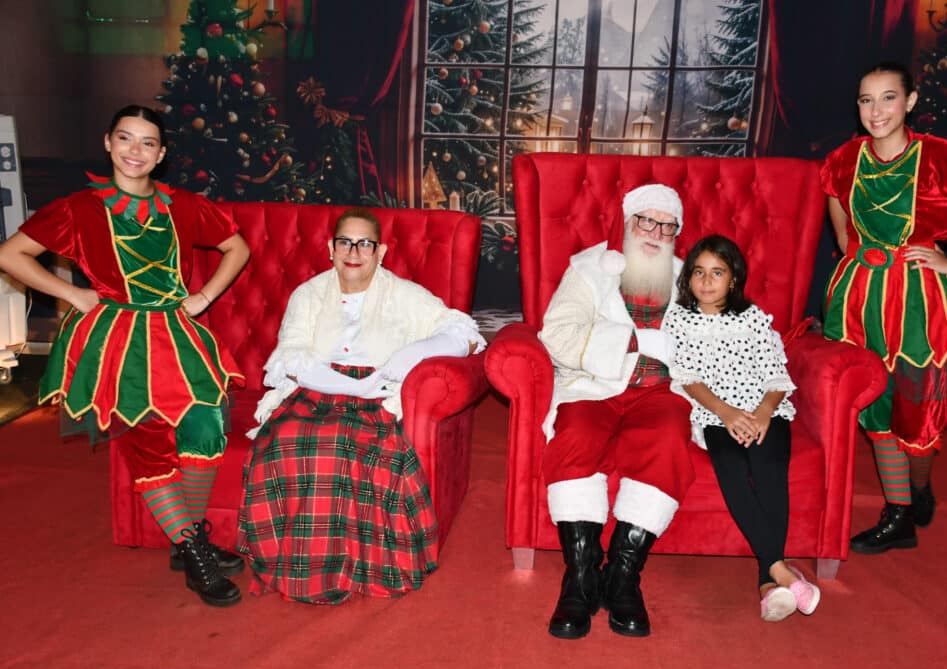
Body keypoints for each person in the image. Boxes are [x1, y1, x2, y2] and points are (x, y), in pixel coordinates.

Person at [0, 104, 251, 606]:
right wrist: (72, 294)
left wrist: (203, 297)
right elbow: (10, 255)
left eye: (147, 143)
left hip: (176, 334)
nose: (135, 151)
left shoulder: (184, 205)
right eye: (125, 138)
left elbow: (237, 248)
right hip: (117, 339)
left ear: (161, 154)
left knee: (206, 425)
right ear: (108, 143)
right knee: (148, 441)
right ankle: (194, 552)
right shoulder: (79, 208)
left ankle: (188, 541)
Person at [821, 62, 947, 553]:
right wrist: (852, 250)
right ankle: (899, 515)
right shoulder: (844, 158)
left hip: (916, 303)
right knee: (873, 405)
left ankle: (919, 488)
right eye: (866, 100)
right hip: (859, 299)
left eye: (888, 97)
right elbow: (837, 203)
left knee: (918, 411)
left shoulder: (940, 158)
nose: (876, 111)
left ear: (910, 101)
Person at [238, 207, 485, 605]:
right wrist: (346, 385)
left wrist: (412, 355)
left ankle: (356, 569)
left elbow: (464, 333)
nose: (354, 253)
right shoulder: (308, 294)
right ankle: (303, 572)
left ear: (380, 251)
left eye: (364, 244)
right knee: (284, 440)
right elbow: (291, 355)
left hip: (379, 391)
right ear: (330, 249)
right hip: (315, 386)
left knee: (348, 442)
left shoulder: (404, 294)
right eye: (345, 243)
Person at [539, 183, 694, 639]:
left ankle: (623, 575)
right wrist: (634, 341)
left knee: (668, 438)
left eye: (667, 226)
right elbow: (557, 333)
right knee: (576, 434)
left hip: (660, 391)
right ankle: (580, 576)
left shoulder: (691, 278)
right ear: (627, 224)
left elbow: (713, 340)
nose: (656, 233)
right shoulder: (588, 269)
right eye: (647, 221)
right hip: (593, 384)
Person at [663, 235, 820, 622]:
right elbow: (687, 377)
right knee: (732, 469)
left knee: (768, 469)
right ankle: (780, 571)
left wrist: (764, 412)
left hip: (765, 410)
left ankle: (768, 582)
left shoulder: (752, 319)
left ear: (733, 279)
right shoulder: (679, 320)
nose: (706, 281)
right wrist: (727, 413)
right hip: (716, 414)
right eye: (699, 272)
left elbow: (776, 375)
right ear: (688, 277)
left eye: (717, 273)